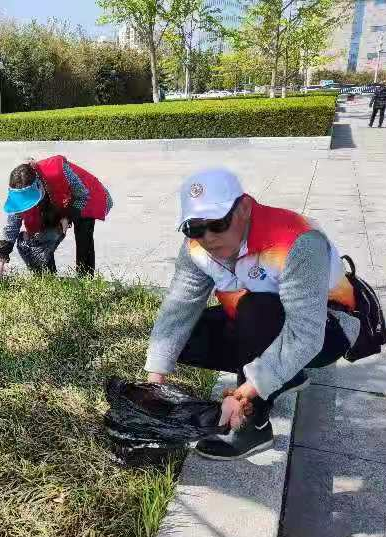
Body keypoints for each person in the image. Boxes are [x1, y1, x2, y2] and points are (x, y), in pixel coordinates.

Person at [144, 167, 360, 460]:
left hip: (327, 329)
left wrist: (243, 394)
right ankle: (286, 374)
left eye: (217, 223)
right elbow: (179, 306)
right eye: (194, 228)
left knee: (256, 309)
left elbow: (306, 335)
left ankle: (254, 426)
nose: (207, 237)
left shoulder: (297, 242)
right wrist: (153, 384)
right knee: (184, 339)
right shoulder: (196, 246)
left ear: (244, 208)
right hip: (262, 321)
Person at [0, 156, 113, 286]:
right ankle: (49, 280)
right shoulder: (18, 192)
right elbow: (11, 228)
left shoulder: (58, 171)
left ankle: (85, 282)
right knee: (32, 242)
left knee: (83, 229)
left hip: (86, 195)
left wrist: (67, 216)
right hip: (54, 202)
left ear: (39, 185)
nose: (26, 207)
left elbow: (83, 195)